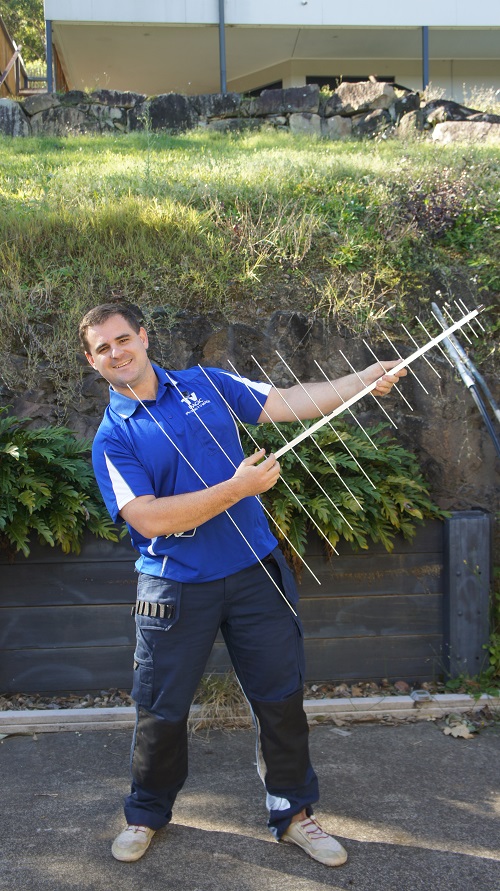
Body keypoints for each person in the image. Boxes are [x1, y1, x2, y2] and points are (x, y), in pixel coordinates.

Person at [79, 303, 406, 867]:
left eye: (123, 339)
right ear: (92, 361)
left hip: (255, 573)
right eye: (103, 348)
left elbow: (284, 402)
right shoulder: (112, 439)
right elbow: (150, 519)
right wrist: (237, 488)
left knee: (280, 700)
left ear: (144, 338)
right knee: (161, 710)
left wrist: (363, 379)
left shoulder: (207, 384)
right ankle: (145, 813)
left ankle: (294, 814)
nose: (117, 353)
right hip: (174, 588)